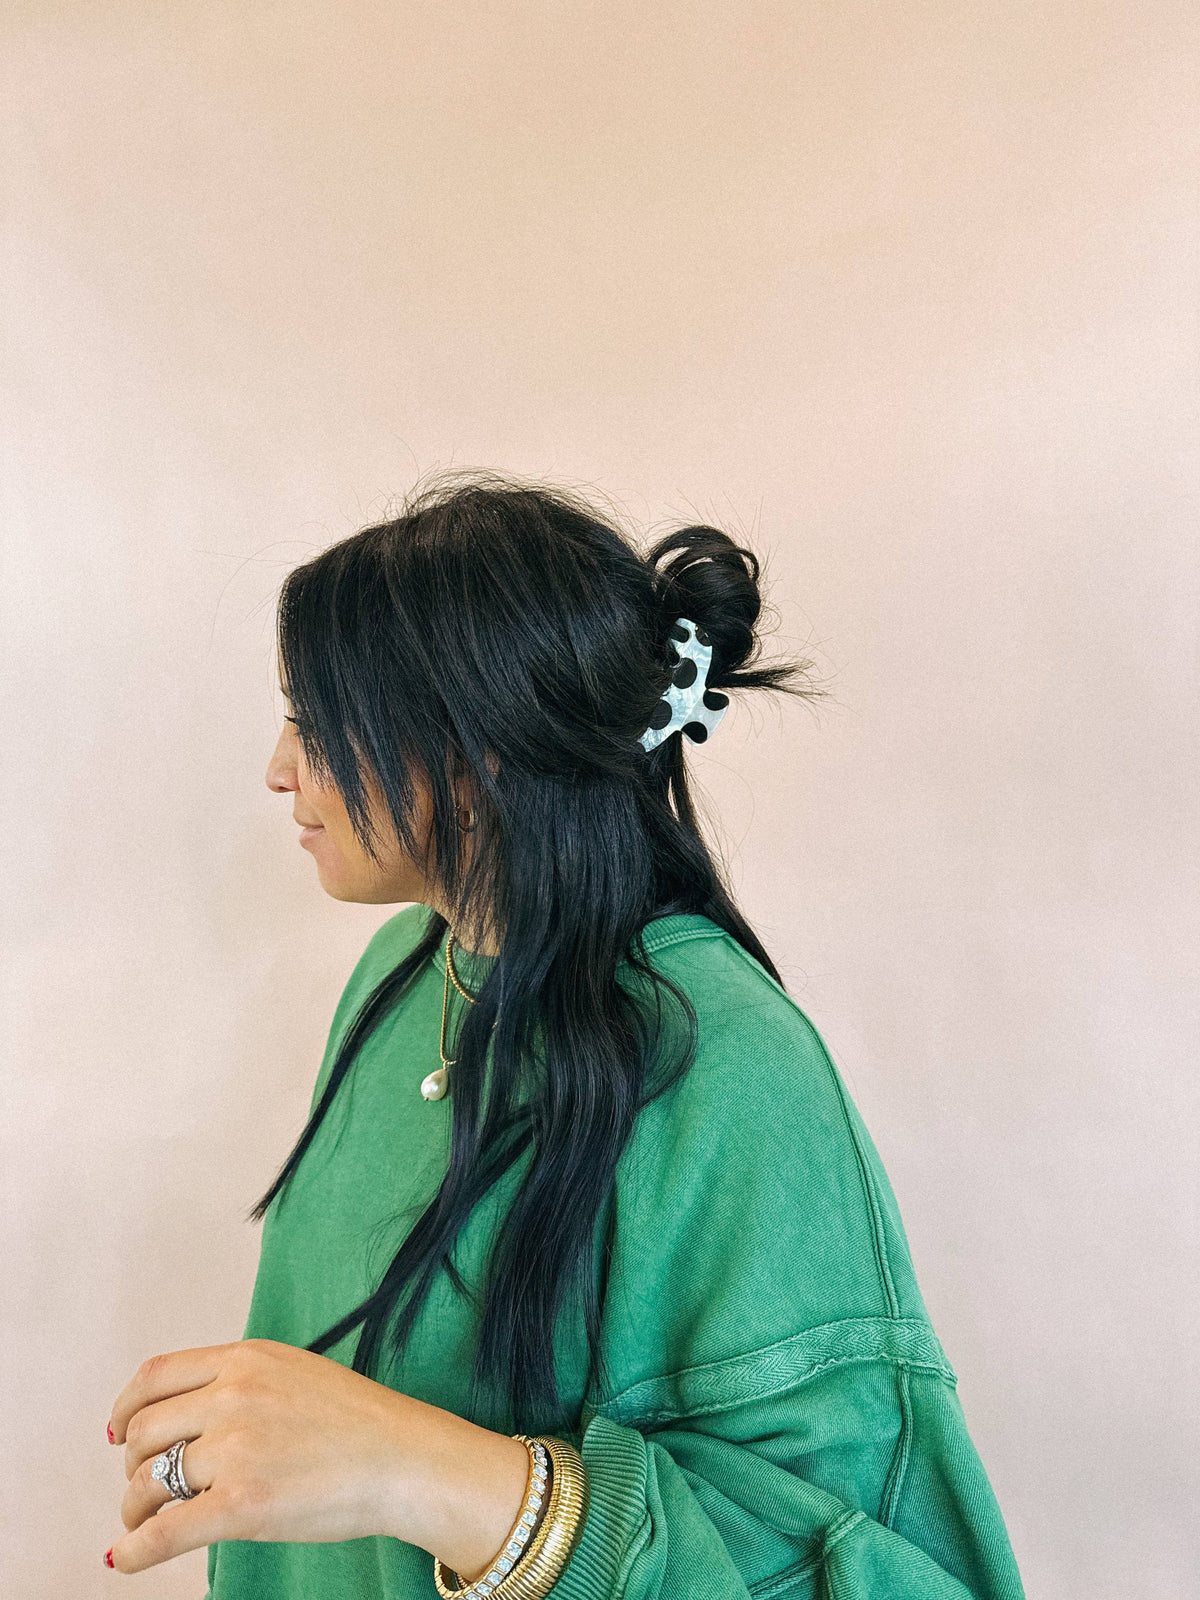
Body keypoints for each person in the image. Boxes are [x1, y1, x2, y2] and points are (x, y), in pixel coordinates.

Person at [105, 473, 1025, 1598]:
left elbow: (880, 1566)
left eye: (322, 721)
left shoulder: (729, 1060)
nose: (279, 767)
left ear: (477, 753)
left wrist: (412, 1468)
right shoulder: (403, 970)